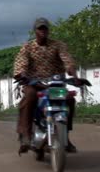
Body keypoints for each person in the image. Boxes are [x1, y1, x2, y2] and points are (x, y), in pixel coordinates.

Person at [14, 17, 78, 154]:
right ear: (35, 31)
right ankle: (25, 135)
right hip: (34, 83)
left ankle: (65, 135)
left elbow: (67, 58)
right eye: (40, 28)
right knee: (30, 96)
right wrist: (22, 74)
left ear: (48, 30)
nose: (43, 31)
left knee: (69, 99)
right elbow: (21, 64)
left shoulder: (57, 45)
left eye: (45, 28)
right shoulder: (28, 47)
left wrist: (73, 73)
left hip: (54, 85)